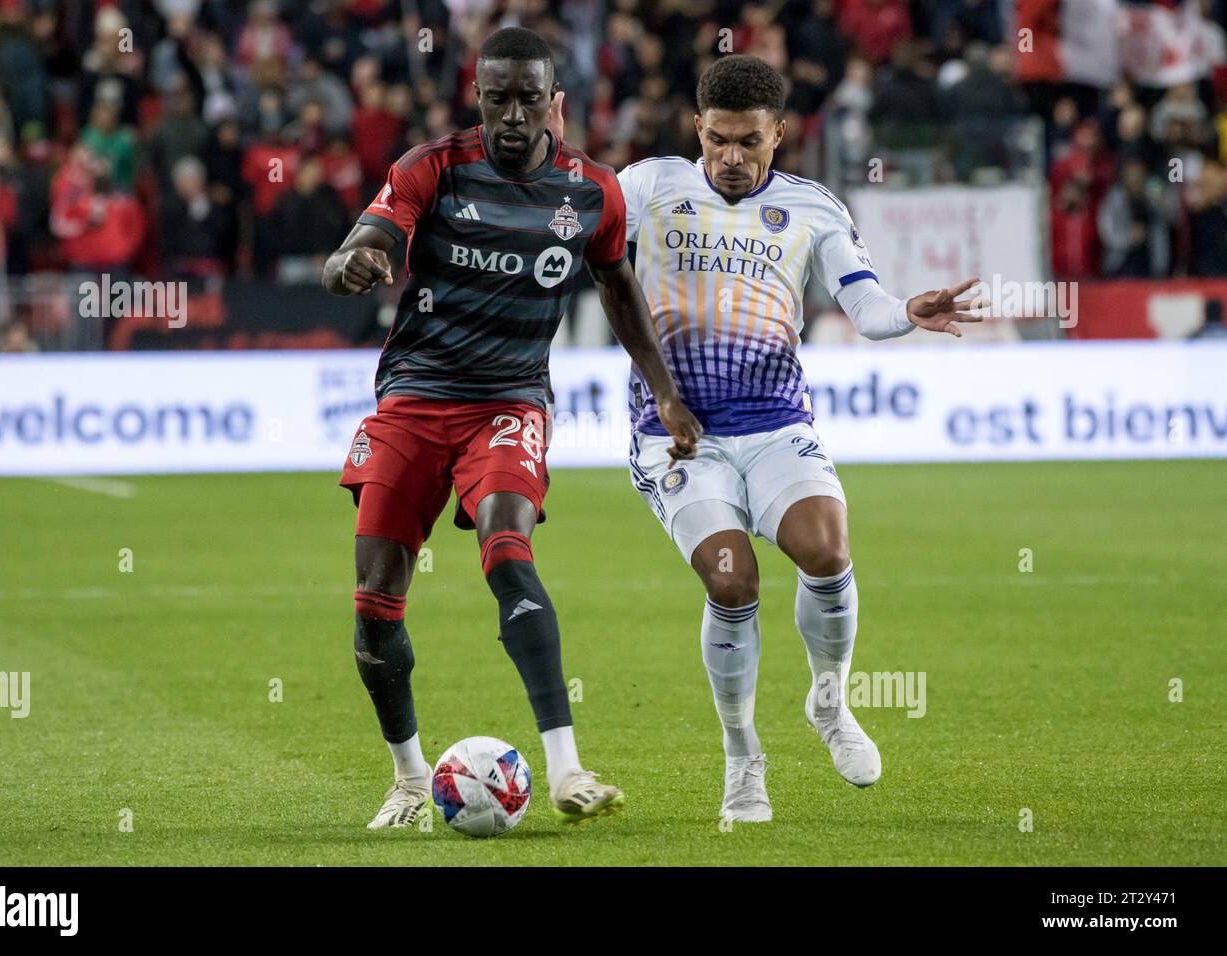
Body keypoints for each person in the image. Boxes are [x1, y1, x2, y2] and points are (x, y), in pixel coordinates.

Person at [320, 27, 700, 829]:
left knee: (506, 546)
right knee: (375, 603)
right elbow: (363, 243)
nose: (516, 116)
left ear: (556, 102)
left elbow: (618, 286)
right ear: (479, 97)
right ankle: (410, 778)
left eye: (532, 99)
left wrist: (663, 392)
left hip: (509, 403)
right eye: (500, 99)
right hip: (414, 401)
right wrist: (352, 263)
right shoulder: (434, 167)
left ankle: (566, 766)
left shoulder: (592, 192)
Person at [613, 54, 980, 821]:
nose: (732, 158)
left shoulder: (813, 208)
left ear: (780, 134)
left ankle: (828, 702)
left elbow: (867, 306)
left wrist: (908, 313)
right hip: (677, 432)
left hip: (777, 423)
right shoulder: (647, 186)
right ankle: (743, 760)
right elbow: (573, 226)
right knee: (731, 578)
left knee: (827, 550)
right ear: (697, 129)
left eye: (749, 141)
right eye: (717, 140)